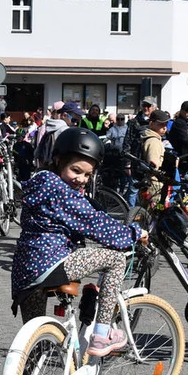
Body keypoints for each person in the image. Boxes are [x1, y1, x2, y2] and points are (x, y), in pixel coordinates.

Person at [11, 128, 147, 356]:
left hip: (25, 273)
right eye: (76, 170)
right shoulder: (59, 190)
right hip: (51, 263)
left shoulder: (40, 182)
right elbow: (97, 225)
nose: (81, 179)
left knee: (34, 342)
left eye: (87, 175)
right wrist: (133, 233)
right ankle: (102, 335)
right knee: (114, 260)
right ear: (58, 160)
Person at [139, 109, 169, 206]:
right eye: (161, 124)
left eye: (165, 124)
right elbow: (154, 164)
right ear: (152, 124)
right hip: (155, 184)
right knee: (157, 211)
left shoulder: (153, 139)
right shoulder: (153, 142)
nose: (164, 127)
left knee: (151, 213)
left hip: (151, 182)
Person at [167, 101, 188, 172]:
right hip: (181, 157)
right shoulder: (179, 123)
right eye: (187, 110)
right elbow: (186, 139)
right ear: (182, 111)